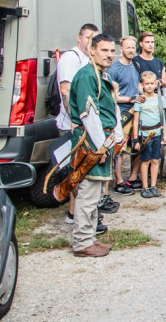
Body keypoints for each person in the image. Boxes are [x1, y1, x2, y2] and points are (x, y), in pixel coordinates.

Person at [68, 32, 121, 257]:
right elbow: (89, 114)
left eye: (111, 51)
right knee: (88, 193)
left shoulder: (101, 75)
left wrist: (115, 138)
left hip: (102, 141)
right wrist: (100, 146)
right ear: (92, 50)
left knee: (96, 192)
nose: (109, 55)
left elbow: (111, 109)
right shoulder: (86, 75)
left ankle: (89, 237)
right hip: (90, 142)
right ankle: (81, 242)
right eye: (104, 50)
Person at [56, 23, 98, 224]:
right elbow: (66, 90)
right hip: (73, 124)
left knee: (84, 169)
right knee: (76, 169)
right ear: (79, 38)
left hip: (86, 124)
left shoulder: (88, 59)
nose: (91, 42)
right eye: (88, 38)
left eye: (94, 39)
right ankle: (73, 213)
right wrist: (74, 119)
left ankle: (79, 212)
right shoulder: (70, 58)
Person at [106, 36, 140, 195]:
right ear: (121, 49)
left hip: (137, 111)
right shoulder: (114, 70)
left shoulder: (135, 65)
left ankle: (132, 178)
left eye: (133, 48)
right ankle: (118, 181)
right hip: (123, 113)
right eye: (128, 48)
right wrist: (130, 99)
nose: (131, 50)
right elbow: (111, 96)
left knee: (138, 144)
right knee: (119, 148)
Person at [133, 71, 166, 198]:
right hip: (145, 135)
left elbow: (163, 119)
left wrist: (164, 135)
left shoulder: (160, 99)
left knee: (156, 160)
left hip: (157, 133)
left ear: (156, 84)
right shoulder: (140, 101)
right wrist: (135, 140)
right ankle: (145, 187)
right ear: (142, 85)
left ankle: (153, 185)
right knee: (145, 160)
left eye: (151, 83)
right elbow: (135, 121)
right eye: (146, 83)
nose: (149, 86)